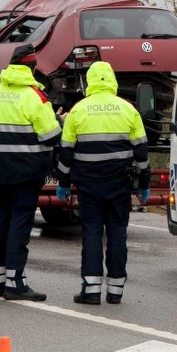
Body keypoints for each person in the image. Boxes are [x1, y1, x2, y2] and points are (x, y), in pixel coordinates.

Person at [56, 61, 150, 305]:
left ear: (89, 81)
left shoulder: (78, 110)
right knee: (118, 233)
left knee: (91, 233)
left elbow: (65, 153)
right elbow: (141, 153)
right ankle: (116, 290)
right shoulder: (128, 110)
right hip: (119, 184)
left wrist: (64, 181)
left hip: (88, 185)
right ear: (112, 80)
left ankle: (91, 289)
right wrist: (144, 183)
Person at [0, 44, 61, 301]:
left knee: (0, 220)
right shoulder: (36, 97)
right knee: (20, 224)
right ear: (32, 68)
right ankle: (15, 283)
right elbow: (51, 136)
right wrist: (60, 120)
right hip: (27, 172)